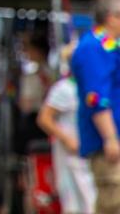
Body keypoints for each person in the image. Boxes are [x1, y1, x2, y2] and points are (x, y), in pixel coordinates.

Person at [70, 0, 120, 214]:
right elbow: (96, 97)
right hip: (107, 143)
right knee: (114, 199)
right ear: (112, 17)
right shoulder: (93, 47)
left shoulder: (108, 45)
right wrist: (110, 138)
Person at [38, 43, 96, 214]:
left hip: (90, 152)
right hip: (70, 154)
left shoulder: (95, 87)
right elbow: (44, 118)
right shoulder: (65, 88)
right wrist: (66, 138)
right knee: (73, 202)